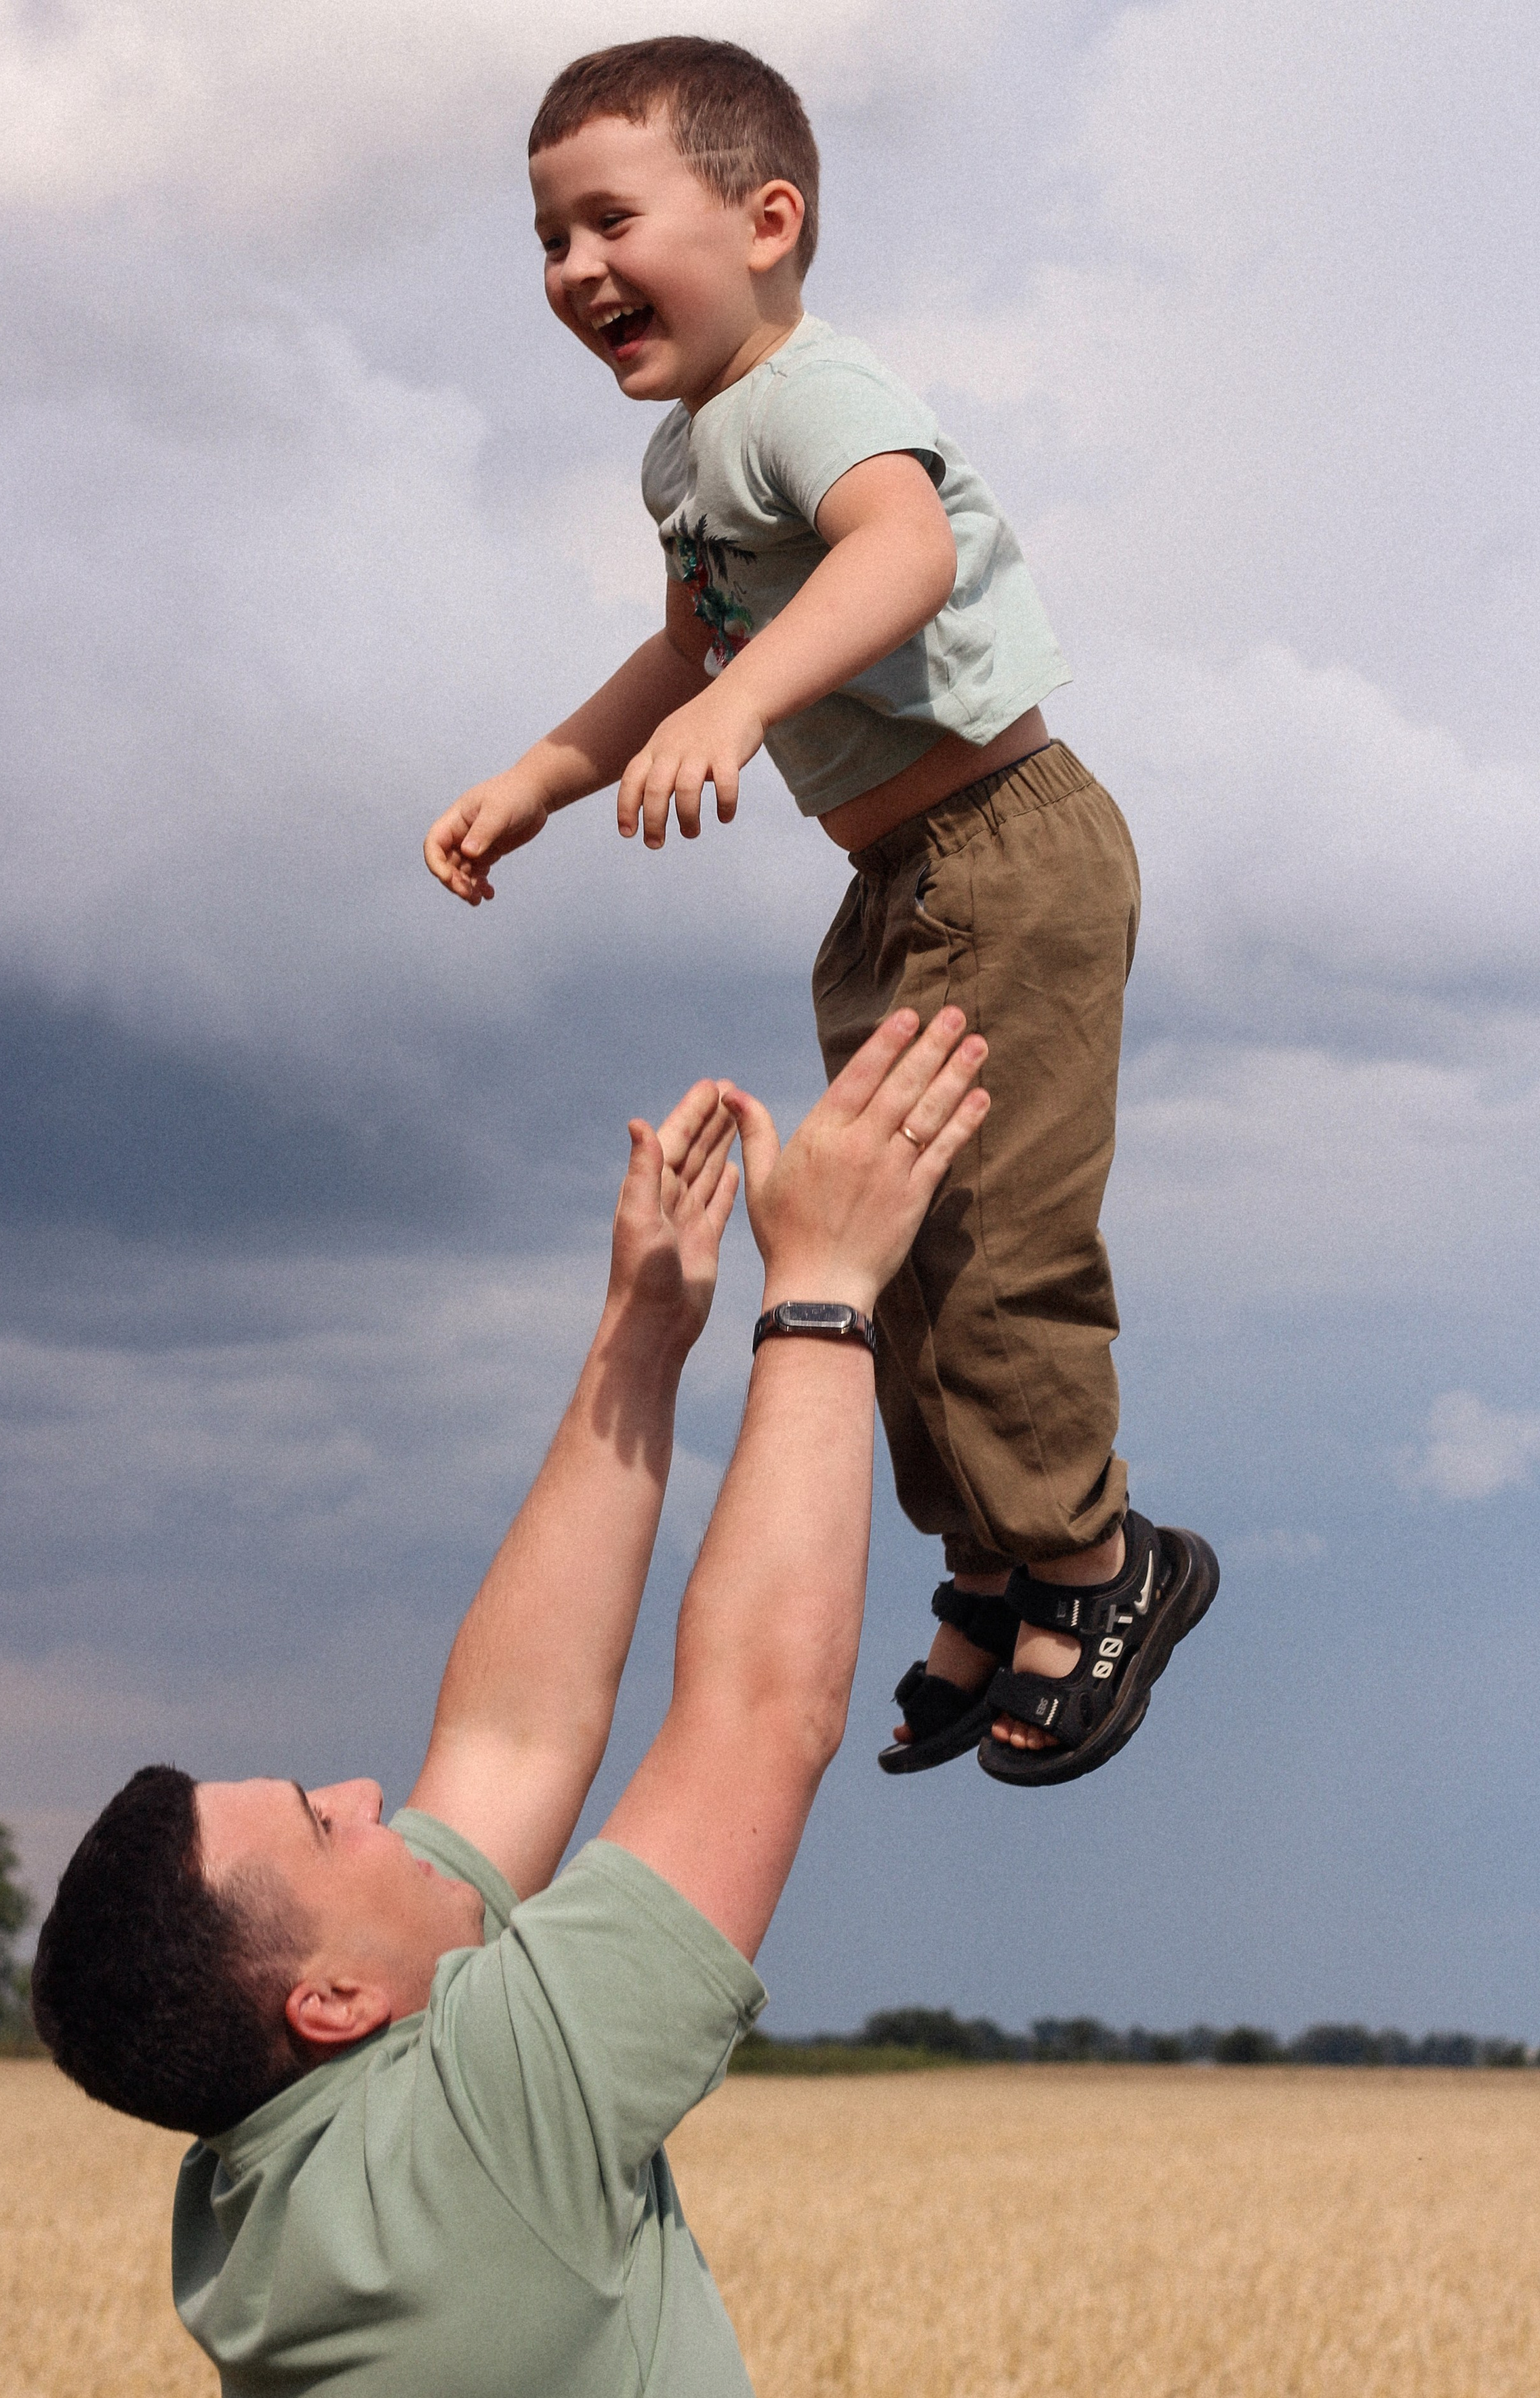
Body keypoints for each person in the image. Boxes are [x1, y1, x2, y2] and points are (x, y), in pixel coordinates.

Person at [31, 1007, 993, 2398]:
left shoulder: (280, 2173)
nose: (365, 1792)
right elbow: (761, 1719)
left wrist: (642, 1329)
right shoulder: (460, 2159)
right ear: (330, 1999)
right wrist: (821, 1291)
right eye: (325, 1826)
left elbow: (515, 1725)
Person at [424, 37, 1217, 1788]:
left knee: (996, 1243)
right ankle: (995, 1561)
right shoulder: (689, 462)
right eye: (549, 239)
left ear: (767, 220)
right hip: (902, 891)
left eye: (612, 220)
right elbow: (685, 646)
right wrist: (547, 776)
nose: (575, 271)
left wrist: (736, 707)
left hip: (1008, 857)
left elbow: (902, 552)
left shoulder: (811, 394)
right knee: (884, 1250)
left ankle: (1101, 1563)